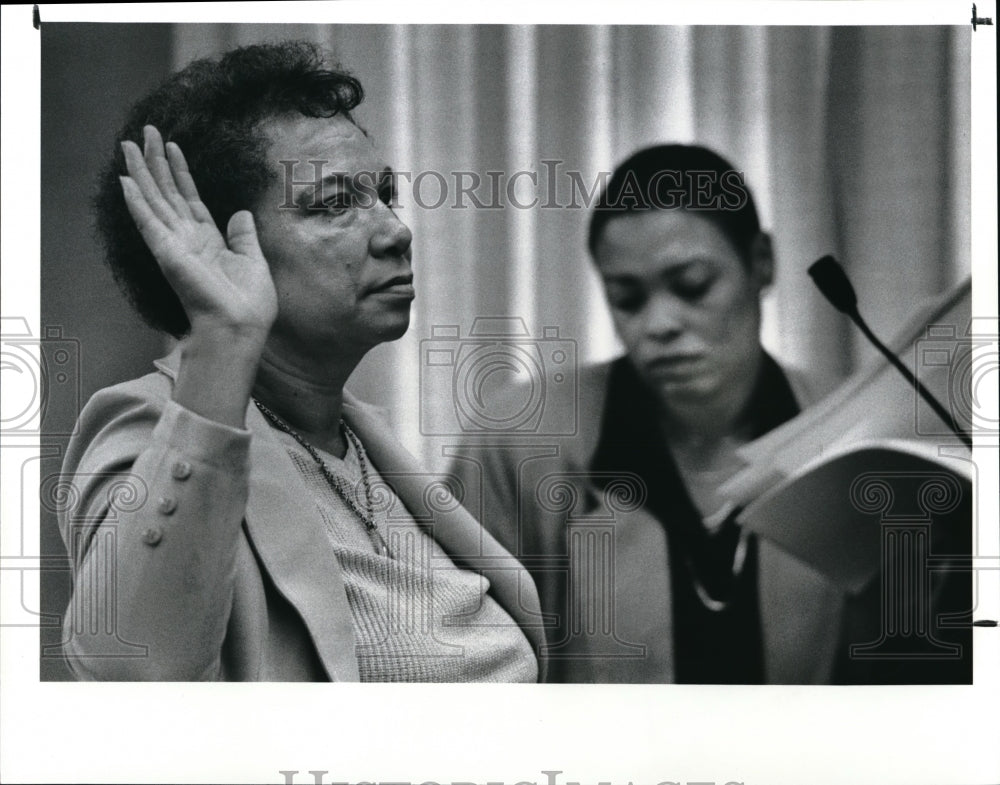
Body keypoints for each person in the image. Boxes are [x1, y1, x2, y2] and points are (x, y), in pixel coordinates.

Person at [57, 40, 544, 682]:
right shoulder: (150, 428)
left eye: (384, 194)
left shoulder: (363, 441)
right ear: (221, 248)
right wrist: (225, 335)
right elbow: (131, 674)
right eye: (333, 203)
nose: (395, 229)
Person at [448, 144, 970, 684]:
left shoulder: (858, 444)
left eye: (693, 286)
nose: (659, 324)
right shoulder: (519, 438)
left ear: (760, 263)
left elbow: (908, 681)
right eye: (627, 298)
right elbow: (459, 662)